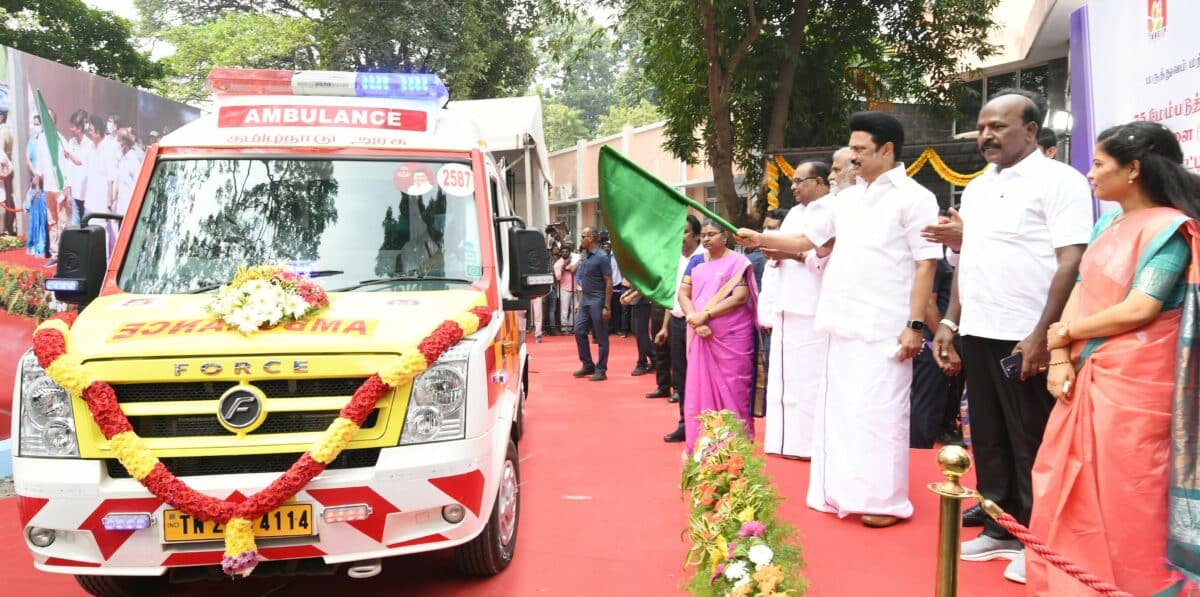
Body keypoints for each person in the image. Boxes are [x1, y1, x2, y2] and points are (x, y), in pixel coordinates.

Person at [737, 111, 940, 528]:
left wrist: (915, 325)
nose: (853, 160)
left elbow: (925, 265)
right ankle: (843, 492)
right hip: (840, 320)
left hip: (885, 324)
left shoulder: (915, 197)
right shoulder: (845, 199)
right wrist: (760, 239)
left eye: (862, 152)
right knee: (844, 412)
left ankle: (884, 501)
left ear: (887, 150)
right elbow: (807, 240)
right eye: (852, 152)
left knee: (880, 413)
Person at [1022, 122, 1200, 596]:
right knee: (1066, 480)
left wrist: (1067, 332)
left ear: (1134, 169)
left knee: (1129, 491)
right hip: (1085, 371)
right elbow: (1082, 286)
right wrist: (1060, 354)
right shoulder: (1108, 222)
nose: (1090, 172)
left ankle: (1133, 585)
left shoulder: (1170, 229)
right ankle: (1071, 580)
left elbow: (1142, 308)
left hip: (1138, 382)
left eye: (1099, 163)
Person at [928, 89, 1092, 584]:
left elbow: (1072, 259)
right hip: (978, 329)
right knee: (991, 436)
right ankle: (1001, 527)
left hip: (1025, 333)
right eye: (981, 127)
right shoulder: (976, 188)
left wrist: (1043, 334)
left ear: (1031, 129)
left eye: (998, 126)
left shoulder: (1059, 181)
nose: (986, 136)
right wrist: (951, 323)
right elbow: (969, 261)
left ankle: (1038, 541)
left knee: (1031, 438)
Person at [761, 159, 832, 460]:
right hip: (787, 303)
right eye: (792, 181)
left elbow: (818, 253)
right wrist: (777, 252)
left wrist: (795, 253)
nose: (794, 187)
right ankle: (784, 442)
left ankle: (809, 445)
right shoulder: (793, 214)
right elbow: (780, 251)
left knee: (809, 380)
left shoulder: (832, 209)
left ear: (819, 181)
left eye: (799, 181)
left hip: (813, 306)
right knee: (782, 380)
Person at [680, 220, 758, 450]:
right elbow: (684, 293)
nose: (705, 239)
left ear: (725, 236)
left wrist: (705, 314)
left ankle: (735, 444)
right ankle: (703, 442)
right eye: (702, 235)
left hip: (731, 335)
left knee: (734, 386)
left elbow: (740, 297)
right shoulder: (695, 261)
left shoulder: (737, 262)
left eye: (711, 234)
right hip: (700, 331)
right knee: (699, 386)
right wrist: (695, 320)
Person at [663, 215, 703, 442]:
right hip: (678, 322)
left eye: (686, 232)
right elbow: (673, 295)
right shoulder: (677, 259)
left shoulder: (703, 259)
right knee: (680, 377)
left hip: (697, 324)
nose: (681, 237)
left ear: (696, 236)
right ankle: (684, 423)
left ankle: (702, 424)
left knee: (698, 375)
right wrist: (665, 327)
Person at [572, 227, 612, 381]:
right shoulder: (586, 256)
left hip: (598, 300)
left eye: (583, 236)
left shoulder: (602, 256)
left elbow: (609, 281)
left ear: (591, 238)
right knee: (579, 331)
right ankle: (588, 364)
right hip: (585, 300)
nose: (581, 238)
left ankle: (601, 369)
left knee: (601, 337)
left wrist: (607, 306)